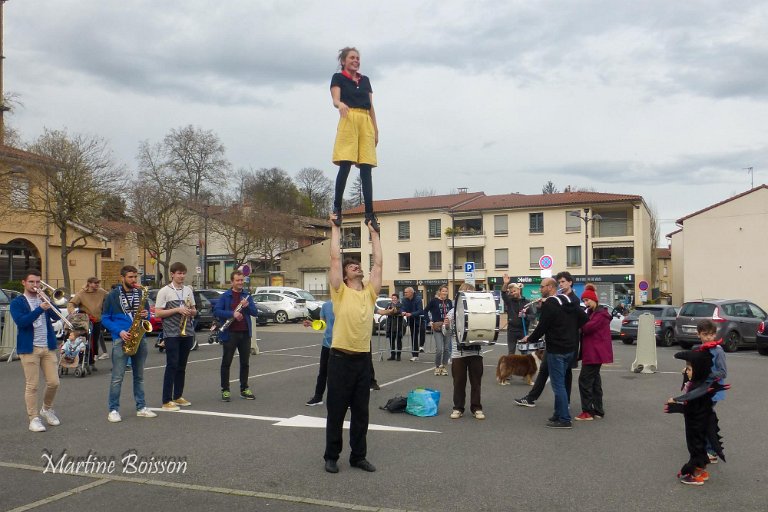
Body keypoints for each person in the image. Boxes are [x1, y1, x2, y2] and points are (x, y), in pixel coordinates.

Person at [323, 212, 382, 474]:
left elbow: (378, 265)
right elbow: (335, 258)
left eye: (358, 265)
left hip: (362, 360)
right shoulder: (340, 291)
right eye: (352, 266)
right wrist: (335, 228)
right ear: (345, 276)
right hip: (339, 359)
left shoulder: (370, 293)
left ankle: (358, 456)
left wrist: (374, 233)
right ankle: (331, 456)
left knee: (361, 414)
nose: (357, 266)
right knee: (336, 412)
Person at [330, 46, 380, 232]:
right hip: (348, 117)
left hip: (365, 120)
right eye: (352, 57)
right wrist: (340, 104)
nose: (356, 60)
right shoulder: (338, 78)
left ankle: (370, 213)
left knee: (366, 168)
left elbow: (371, 106)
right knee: (345, 164)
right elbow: (335, 99)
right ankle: (337, 208)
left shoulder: (365, 80)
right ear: (344, 61)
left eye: (358, 58)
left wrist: (375, 128)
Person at [101, 265, 157, 422]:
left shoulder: (140, 293)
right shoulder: (112, 295)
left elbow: (147, 316)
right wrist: (119, 331)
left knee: (139, 376)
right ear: (122, 278)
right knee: (117, 377)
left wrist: (146, 316)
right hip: (121, 339)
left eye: (135, 277)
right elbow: (105, 318)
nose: (134, 280)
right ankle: (113, 409)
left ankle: (141, 407)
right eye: (130, 277)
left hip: (140, 338)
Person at [519, 278, 578, 428]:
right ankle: (558, 414)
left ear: (550, 287)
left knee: (558, 386)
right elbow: (582, 319)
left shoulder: (550, 304)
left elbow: (542, 327)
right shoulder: (568, 300)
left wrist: (529, 339)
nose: (540, 289)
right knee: (561, 384)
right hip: (569, 348)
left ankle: (564, 419)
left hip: (556, 349)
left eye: (542, 286)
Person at [10, 270, 62, 432]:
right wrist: (40, 308)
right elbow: (22, 322)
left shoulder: (43, 298)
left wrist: (47, 302)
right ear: (24, 283)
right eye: (32, 282)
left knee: (54, 382)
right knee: (32, 385)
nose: (35, 285)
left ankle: (46, 409)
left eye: (38, 282)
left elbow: (57, 316)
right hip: (29, 348)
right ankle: (33, 419)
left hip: (47, 346)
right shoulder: (18, 302)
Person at [664, 350, 726, 485]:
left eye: (690, 369)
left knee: (695, 449)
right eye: (687, 368)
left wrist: (675, 405)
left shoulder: (699, 390)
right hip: (698, 425)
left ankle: (695, 475)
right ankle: (702, 472)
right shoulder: (699, 384)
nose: (686, 371)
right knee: (700, 448)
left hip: (696, 427)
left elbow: (691, 409)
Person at [213, 270, 261, 402]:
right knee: (226, 362)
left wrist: (246, 307)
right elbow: (217, 311)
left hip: (245, 333)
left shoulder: (246, 296)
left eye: (242, 280)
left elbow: (255, 312)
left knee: (245, 363)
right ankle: (225, 390)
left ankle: (244, 388)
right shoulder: (225, 296)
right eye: (238, 280)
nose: (240, 283)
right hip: (230, 332)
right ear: (232, 282)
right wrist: (232, 314)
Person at [154, 262, 197, 411]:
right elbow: (158, 313)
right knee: (172, 365)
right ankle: (166, 400)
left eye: (183, 273)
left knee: (182, 366)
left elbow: (194, 310)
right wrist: (177, 310)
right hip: (171, 333)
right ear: (172, 274)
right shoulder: (164, 291)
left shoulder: (188, 290)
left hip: (187, 332)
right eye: (179, 273)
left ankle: (178, 395)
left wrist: (190, 312)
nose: (182, 276)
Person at [445, 283, 485, 420]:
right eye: (465, 292)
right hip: (458, 353)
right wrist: (446, 326)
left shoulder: (480, 310)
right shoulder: (452, 312)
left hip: (476, 352)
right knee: (458, 383)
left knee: (476, 383)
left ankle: (476, 408)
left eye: (470, 292)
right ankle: (458, 408)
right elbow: (447, 333)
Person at [575, 284, 613, 421]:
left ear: (594, 300)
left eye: (587, 300)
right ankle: (598, 410)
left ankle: (587, 412)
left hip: (594, 353)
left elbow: (587, 328)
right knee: (595, 382)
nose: (586, 303)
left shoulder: (601, 314)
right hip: (594, 353)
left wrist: (579, 318)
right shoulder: (593, 313)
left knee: (584, 381)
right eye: (584, 301)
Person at [694, 319, 727, 463]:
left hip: (713, 391)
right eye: (705, 334)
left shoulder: (718, 351)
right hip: (701, 390)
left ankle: (711, 450)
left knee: (705, 420)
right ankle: (707, 447)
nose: (708, 337)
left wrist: (705, 374)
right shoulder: (699, 349)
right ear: (698, 334)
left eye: (711, 334)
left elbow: (722, 372)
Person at [68, 276, 109, 363]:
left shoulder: (101, 292)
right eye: (95, 283)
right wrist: (72, 312)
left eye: (98, 283)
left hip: (97, 320)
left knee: (95, 340)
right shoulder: (82, 293)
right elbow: (71, 303)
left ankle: (92, 359)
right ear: (89, 284)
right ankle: (83, 358)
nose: (97, 285)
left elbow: (110, 297)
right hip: (85, 321)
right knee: (85, 340)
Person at [305, 300, 334, 406]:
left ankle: (347, 400)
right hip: (327, 344)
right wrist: (313, 324)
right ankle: (318, 397)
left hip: (342, 345)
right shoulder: (326, 306)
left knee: (341, 375)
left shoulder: (347, 303)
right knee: (323, 372)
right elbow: (323, 324)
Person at [500, 275, 535, 354]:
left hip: (523, 330)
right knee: (511, 352)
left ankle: (524, 366)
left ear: (519, 290)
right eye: (511, 292)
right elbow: (503, 293)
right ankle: (511, 366)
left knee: (524, 352)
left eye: (514, 291)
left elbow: (533, 316)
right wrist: (505, 283)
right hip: (512, 330)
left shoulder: (527, 302)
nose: (512, 293)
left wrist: (525, 316)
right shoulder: (509, 301)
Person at [425, 286, 452, 376]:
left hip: (447, 327)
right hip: (437, 327)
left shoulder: (449, 302)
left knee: (447, 349)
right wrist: (430, 322)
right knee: (440, 349)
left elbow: (452, 313)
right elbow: (425, 311)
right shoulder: (434, 301)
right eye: (443, 291)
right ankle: (437, 366)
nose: (444, 293)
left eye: (446, 291)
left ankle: (443, 367)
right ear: (439, 292)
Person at [401, 286, 426, 361]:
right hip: (412, 320)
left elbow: (420, 310)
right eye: (404, 292)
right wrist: (402, 311)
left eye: (406, 292)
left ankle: (421, 346)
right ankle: (415, 355)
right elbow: (402, 307)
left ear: (411, 293)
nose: (405, 293)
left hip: (420, 319)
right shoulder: (404, 300)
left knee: (422, 331)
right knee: (414, 337)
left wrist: (411, 314)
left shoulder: (418, 299)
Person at [380, 293, 405, 360]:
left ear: (398, 299)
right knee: (391, 341)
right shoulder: (389, 304)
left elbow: (401, 311)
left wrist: (394, 311)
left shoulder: (400, 305)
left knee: (398, 341)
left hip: (398, 325)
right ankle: (392, 355)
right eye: (392, 298)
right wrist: (389, 310)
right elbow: (386, 311)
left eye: (395, 298)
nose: (393, 299)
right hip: (390, 325)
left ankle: (399, 356)